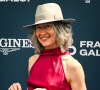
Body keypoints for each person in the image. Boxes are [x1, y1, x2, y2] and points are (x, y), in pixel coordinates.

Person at [8, 3, 87, 90]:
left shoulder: (73, 66)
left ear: (59, 29)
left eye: (47, 26)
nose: (42, 32)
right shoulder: (32, 60)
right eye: (39, 27)